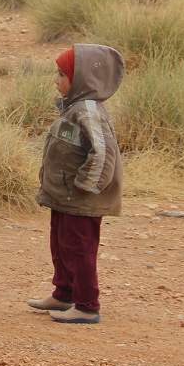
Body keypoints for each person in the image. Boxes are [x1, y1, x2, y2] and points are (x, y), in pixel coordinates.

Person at [28, 44, 125, 325]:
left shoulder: (89, 111)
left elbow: (103, 151)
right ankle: (64, 293)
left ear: (82, 78)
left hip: (80, 198)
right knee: (61, 244)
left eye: (61, 74)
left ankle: (86, 304)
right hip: (64, 196)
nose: (56, 80)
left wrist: (86, 186)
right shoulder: (73, 107)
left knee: (80, 249)